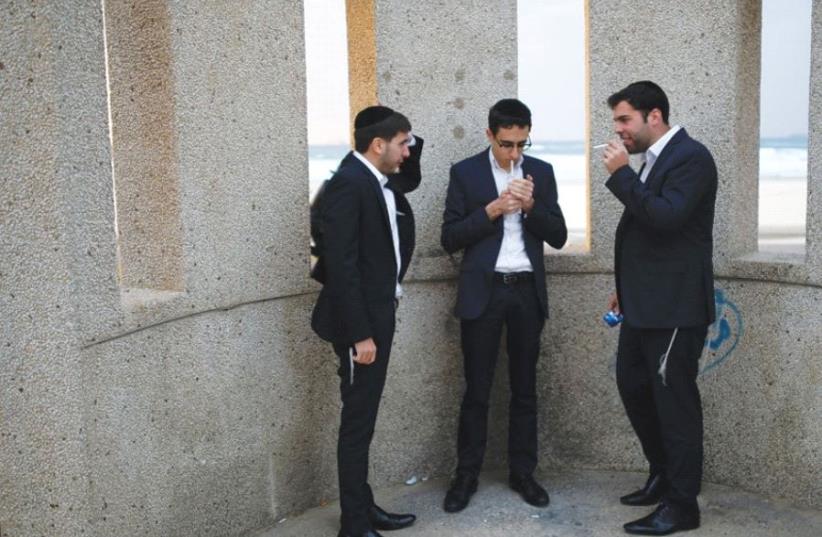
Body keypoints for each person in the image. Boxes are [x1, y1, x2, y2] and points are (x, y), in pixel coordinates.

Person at [601, 81, 717, 535]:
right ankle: (663, 476)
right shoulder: (652, 160)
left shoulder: (692, 157)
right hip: (643, 303)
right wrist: (623, 288)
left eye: (625, 120)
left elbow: (666, 218)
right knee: (634, 386)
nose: (619, 131)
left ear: (654, 116)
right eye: (616, 122)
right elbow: (646, 231)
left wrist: (620, 175)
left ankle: (682, 505)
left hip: (675, 307)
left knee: (675, 404)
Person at [440, 98, 567, 513]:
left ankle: (523, 473)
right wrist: (493, 209)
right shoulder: (465, 173)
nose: (514, 154)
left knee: (525, 388)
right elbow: (449, 237)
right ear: (489, 135)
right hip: (485, 291)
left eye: (521, 145)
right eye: (506, 144)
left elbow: (560, 235)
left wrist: (531, 207)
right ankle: (466, 476)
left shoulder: (541, 173)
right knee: (476, 390)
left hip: (527, 290)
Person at [311, 105, 423, 537]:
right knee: (357, 426)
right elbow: (342, 267)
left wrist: (404, 134)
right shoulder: (349, 185)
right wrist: (361, 336)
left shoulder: (375, 179)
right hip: (361, 328)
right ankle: (354, 524)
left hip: (377, 317)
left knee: (365, 421)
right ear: (378, 145)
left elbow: (408, 173)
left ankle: (363, 506)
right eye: (401, 144)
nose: (408, 153)